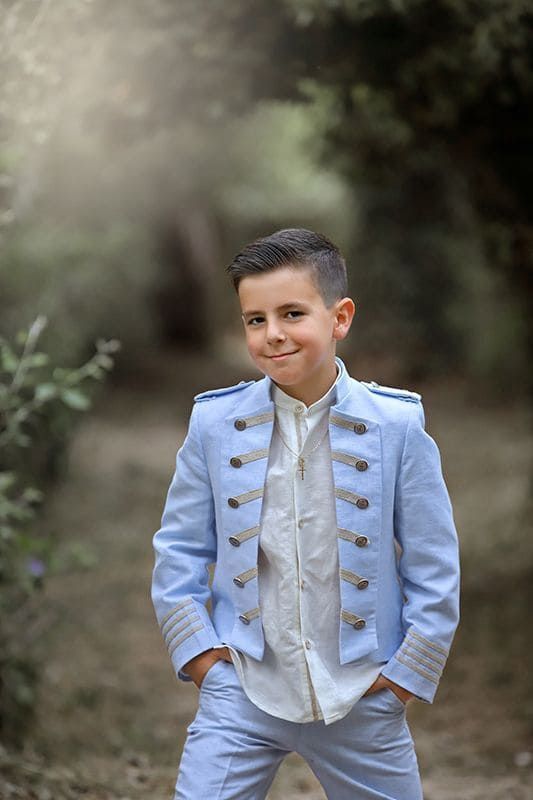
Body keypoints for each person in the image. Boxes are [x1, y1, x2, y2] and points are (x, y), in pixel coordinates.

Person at [151, 227, 460, 799]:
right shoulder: (214, 425)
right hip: (242, 688)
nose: (273, 334)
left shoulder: (396, 426)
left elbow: (433, 561)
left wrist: (404, 677)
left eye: (292, 313)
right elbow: (180, 549)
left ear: (340, 318)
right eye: (255, 319)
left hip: (362, 694)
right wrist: (200, 659)